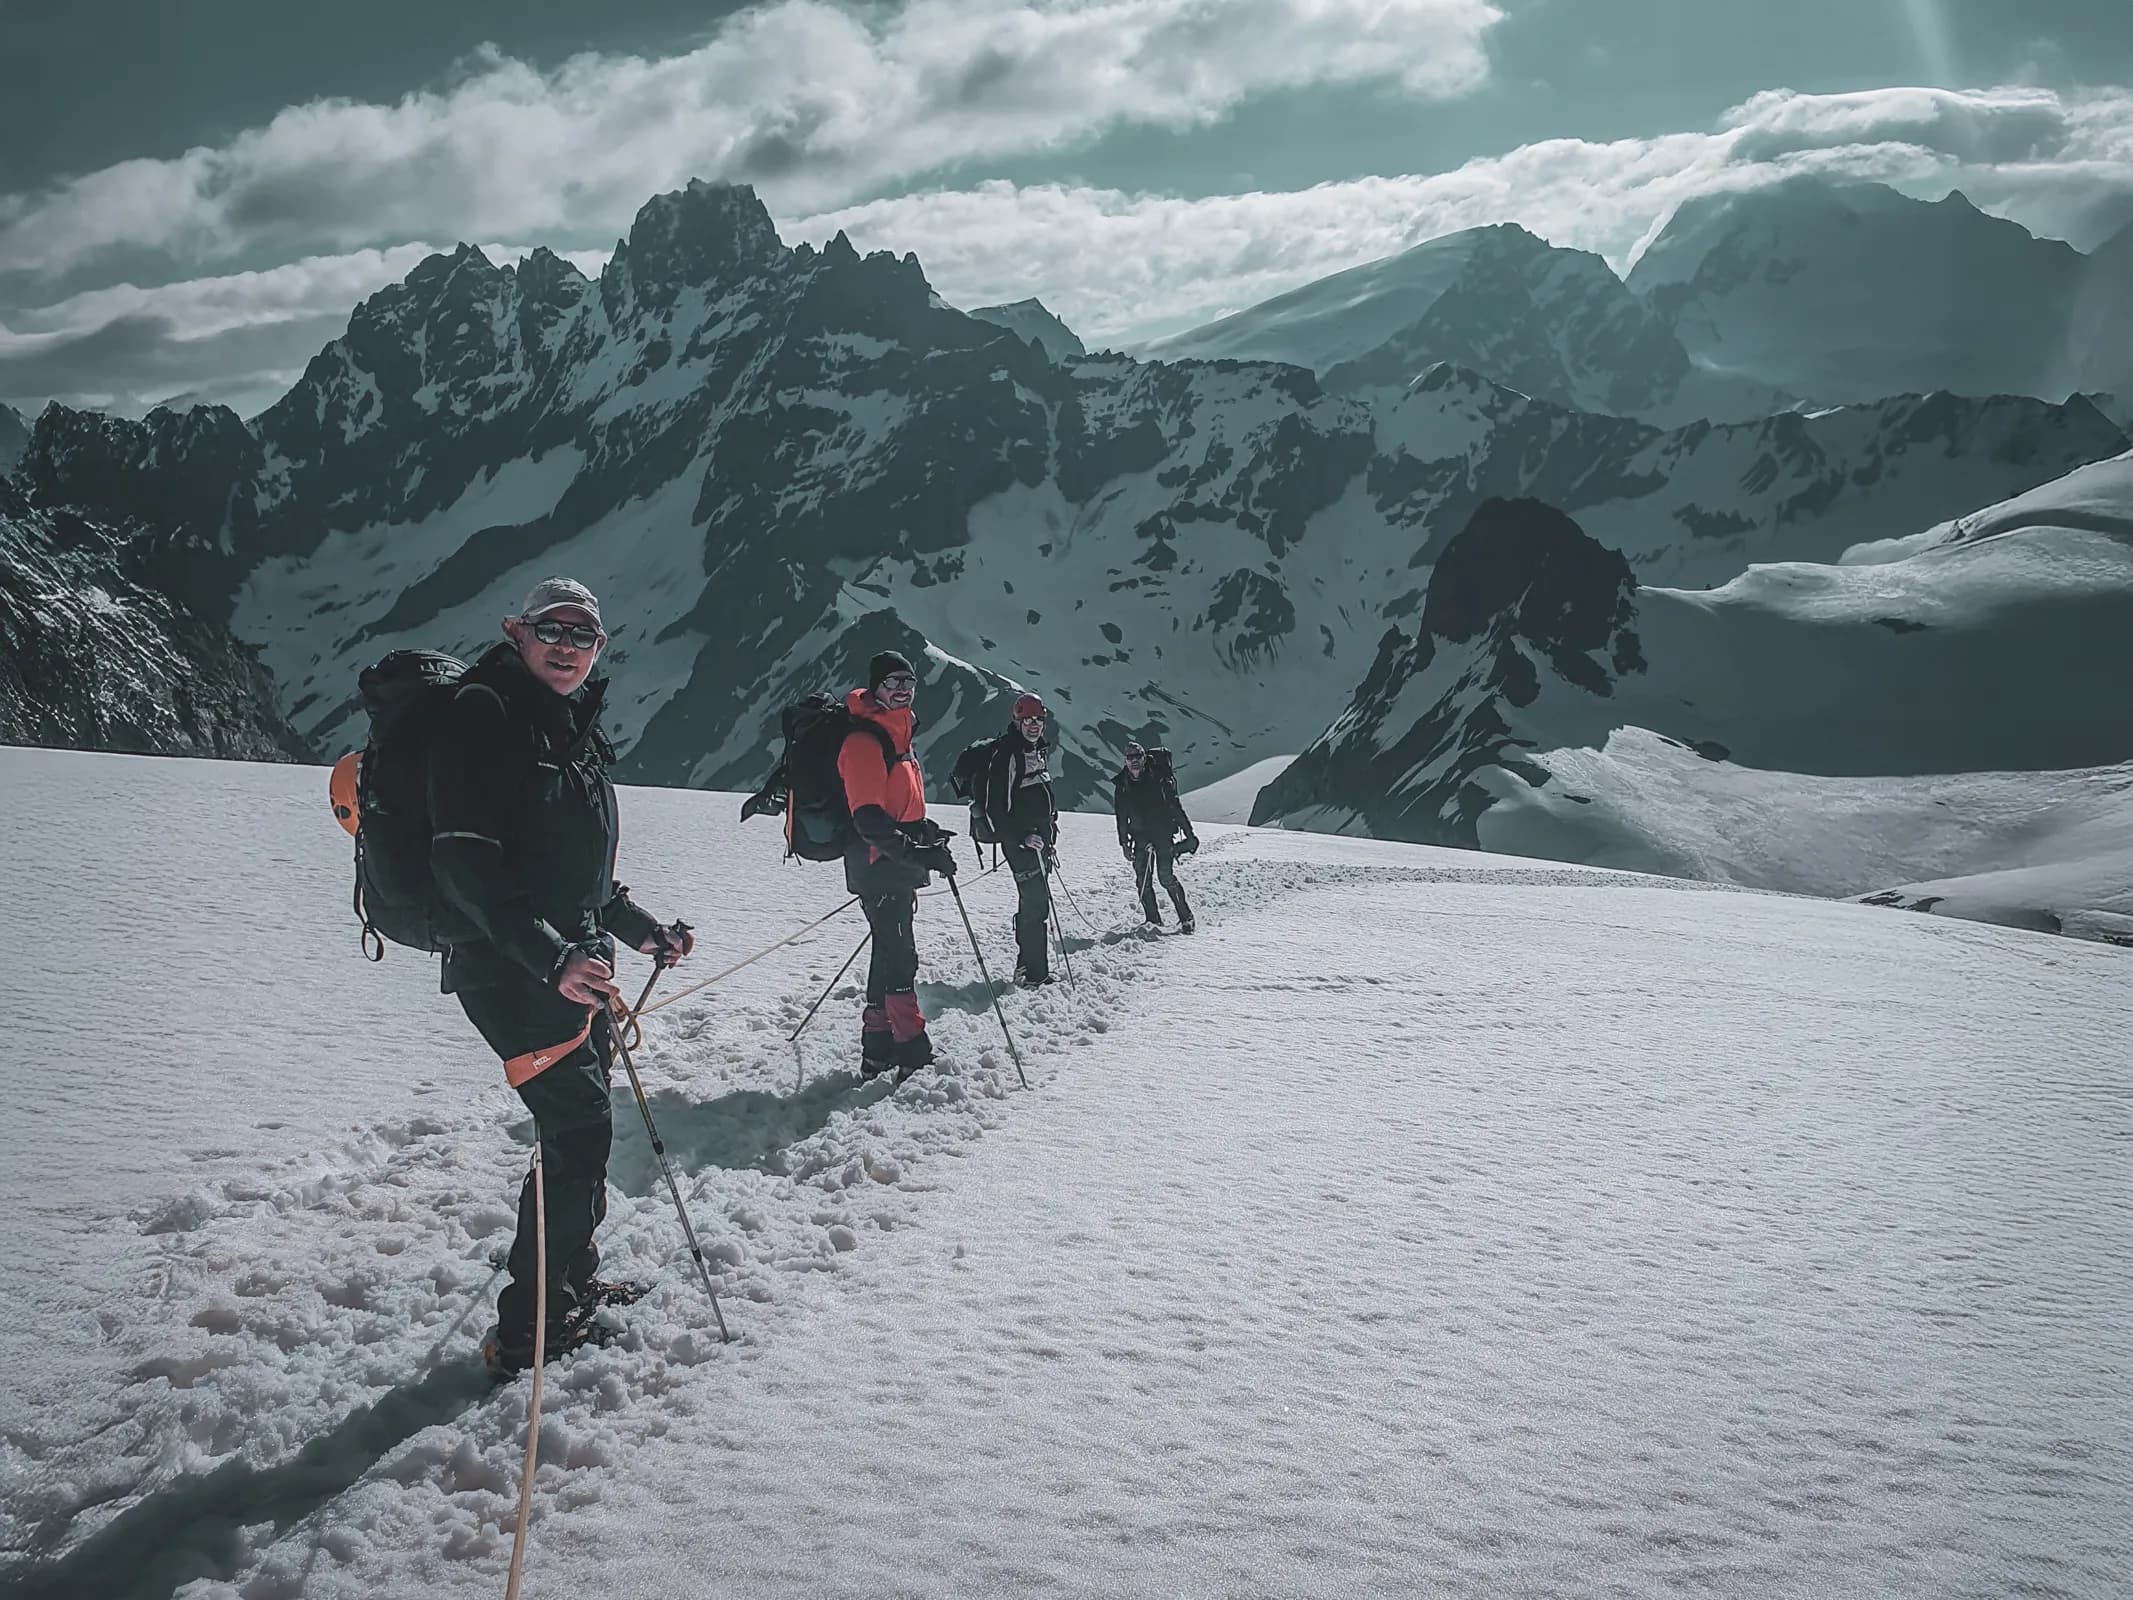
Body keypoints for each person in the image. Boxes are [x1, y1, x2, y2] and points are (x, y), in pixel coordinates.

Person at [428, 577, 694, 1376]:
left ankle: (566, 1285)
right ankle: (530, 1331)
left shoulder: (566, 726)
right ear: (518, 632)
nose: (568, 647)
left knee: (572, 1134)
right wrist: (551, 956)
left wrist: (644, 933)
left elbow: (581, 879)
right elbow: (462, 860)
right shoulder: (486, 713)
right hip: (514, 972)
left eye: (584, 636)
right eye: (553, 630)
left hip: (572, 970)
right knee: (578, 1131)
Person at [838, 650, 959, 1078]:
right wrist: (917, 851)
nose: (903, 689)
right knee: (899, 955)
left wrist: (925, 833)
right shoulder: (865, 741)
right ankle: (910, 1048)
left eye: (908, 681)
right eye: (892, 681)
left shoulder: (897, 737)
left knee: (888, 952)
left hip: (891, 861)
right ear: (875, 688)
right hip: (878, 863)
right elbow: (869, 819)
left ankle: (878, 1048)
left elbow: (897, 807)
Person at [977, 692, 1061, 986]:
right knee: (1035, 904)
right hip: (1022, 845)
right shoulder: (1008, 755)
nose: (1033, 725)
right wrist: (1023, 837)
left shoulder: (1036, 751)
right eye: (1027, 720)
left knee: (1034, 905)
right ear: (1017, 720)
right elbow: (994, 809)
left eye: (1038, 720)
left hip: (1039, 844)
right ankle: (1032, 972)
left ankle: (1029, 966)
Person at [1113, 740, 1197, 933]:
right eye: (1130, 757)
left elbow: (1175, 807)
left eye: (1137, 757)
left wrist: (1189, 833)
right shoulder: (1123, 784)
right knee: (1143, 880)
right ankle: (1153, 920)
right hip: (1140, 836)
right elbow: (1121, 815)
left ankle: (1186, 917)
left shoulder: (1159, 780)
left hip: (1162, 834)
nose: (1133, 761)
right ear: (1125, 761)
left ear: (1144, 758)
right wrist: (1124, 843)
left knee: (1165, 877)